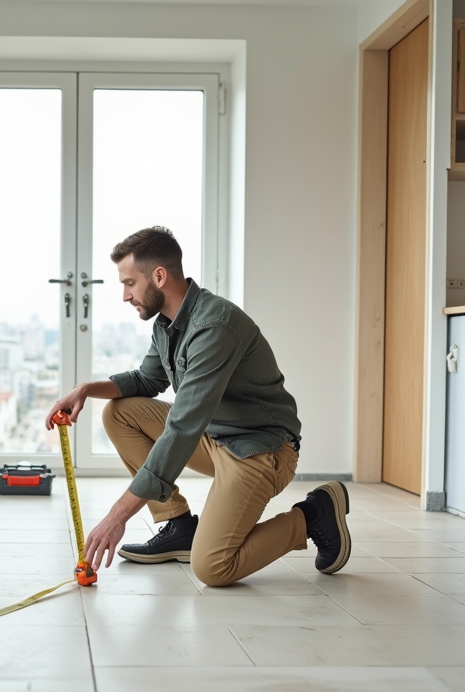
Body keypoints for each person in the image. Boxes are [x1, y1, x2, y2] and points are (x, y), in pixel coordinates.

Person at [44, 226, 351, 586]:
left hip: (260, 450)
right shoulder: (166, 324)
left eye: (129, 283)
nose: (125, 296)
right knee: (119, 412)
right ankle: (178, 524)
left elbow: (182, 427)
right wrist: (86, 389)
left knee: (213, 568)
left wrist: (118, 515)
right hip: (215, 438)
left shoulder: (214, 326)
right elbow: (147, 381)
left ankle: (313, 515)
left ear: (159, 276)